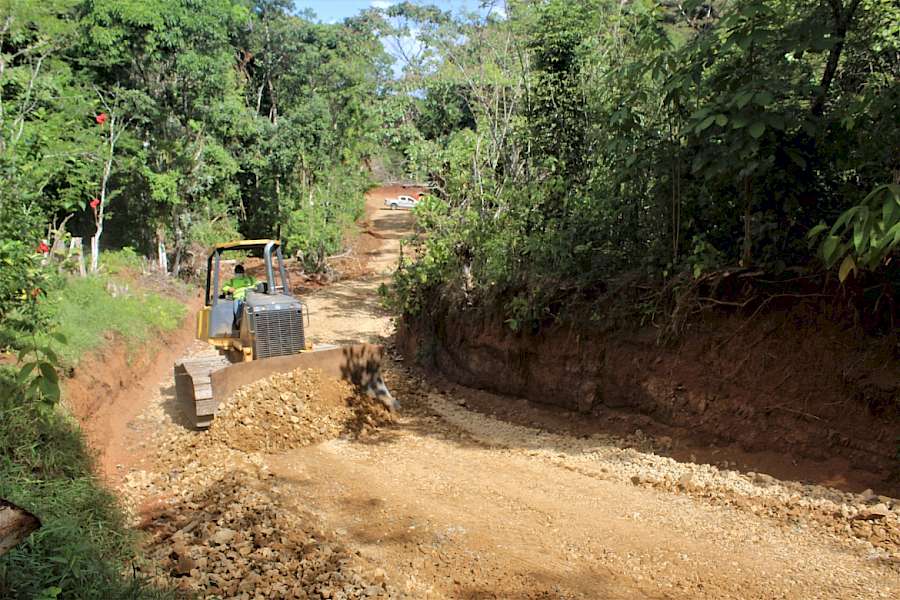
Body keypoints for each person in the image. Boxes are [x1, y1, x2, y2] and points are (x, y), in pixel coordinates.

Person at [222, 264, 257, 328]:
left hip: (250, 298)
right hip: (238, 298)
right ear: (235, 273)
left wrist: (254, 287)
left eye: (240, 272)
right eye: (237, 272)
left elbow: (258, 284)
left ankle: (253, 321)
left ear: (243, 272)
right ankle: (239, 321)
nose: (239, 274)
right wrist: (229, 289)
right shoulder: (232, 281)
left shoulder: (250, 279)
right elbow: (224, 286)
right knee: (237, 305)